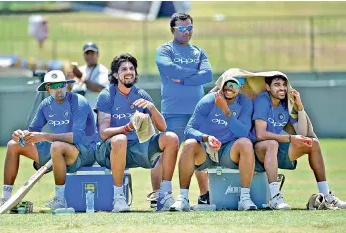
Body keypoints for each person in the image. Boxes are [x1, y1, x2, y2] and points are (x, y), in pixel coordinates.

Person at [0, 70, 98, 211]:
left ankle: (60, 200)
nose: (58, 89)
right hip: (58, 148)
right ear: (48, 88)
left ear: (66, 85)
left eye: (61, 84)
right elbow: (33, 132)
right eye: (53, 86)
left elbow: (77, 137)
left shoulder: (79, 102)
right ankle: (5, 198)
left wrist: (44, 136)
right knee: (13, 145)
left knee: (56, 146)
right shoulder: (45, 104)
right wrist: (21, 135)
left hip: (85, 151)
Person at [95, 53, 179, 212]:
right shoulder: (106, 96)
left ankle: (165, 195)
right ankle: (118, 198)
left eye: (132, 68)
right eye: (124, 69)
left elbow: (163, 127)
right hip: (109, 151)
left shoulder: (141, 94)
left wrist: (152, 108)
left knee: (171, 138)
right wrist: (127, 128)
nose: (129, 71)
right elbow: (104, 133)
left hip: (138, 148)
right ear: (115, 75)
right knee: (120, 139)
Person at [252, 75, 346, 210]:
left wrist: (300, 106)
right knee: (272, 144)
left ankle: (326, 196)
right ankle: (274, 198)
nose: (282, 88)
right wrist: (290, 138)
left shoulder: (286, 104)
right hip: (258, 151)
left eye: (284, 84)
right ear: (268, 87)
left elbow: (301, 133)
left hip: (276, 150)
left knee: (313, 143)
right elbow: (260, 134)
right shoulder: (263, 100)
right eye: (277, 85)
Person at [150, 12, 213, 207]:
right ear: (172, 30)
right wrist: (196, 72)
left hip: (197, 113)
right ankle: (158, 195)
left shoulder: (199, 52)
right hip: (173, 111)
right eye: (182, 28)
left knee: (199, 152)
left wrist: (185, 78)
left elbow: (208, 74)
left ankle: (205, 195)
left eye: (189, 28)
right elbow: (170, 70)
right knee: (166, 154)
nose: (186, 32)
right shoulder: (165, 50)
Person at [170, 77, 258, 211]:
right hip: (206, 151)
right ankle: (183, 198)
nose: (229, 87)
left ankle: (244, 198)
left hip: (229, 152)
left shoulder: (245, 103)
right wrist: (206, 138)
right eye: (227, 83)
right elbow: (188, 130)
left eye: (234, 84)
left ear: (241, 88)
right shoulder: (208, 100)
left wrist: (226, 110)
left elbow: (243, 132)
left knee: (245, 143)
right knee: (189, 144)